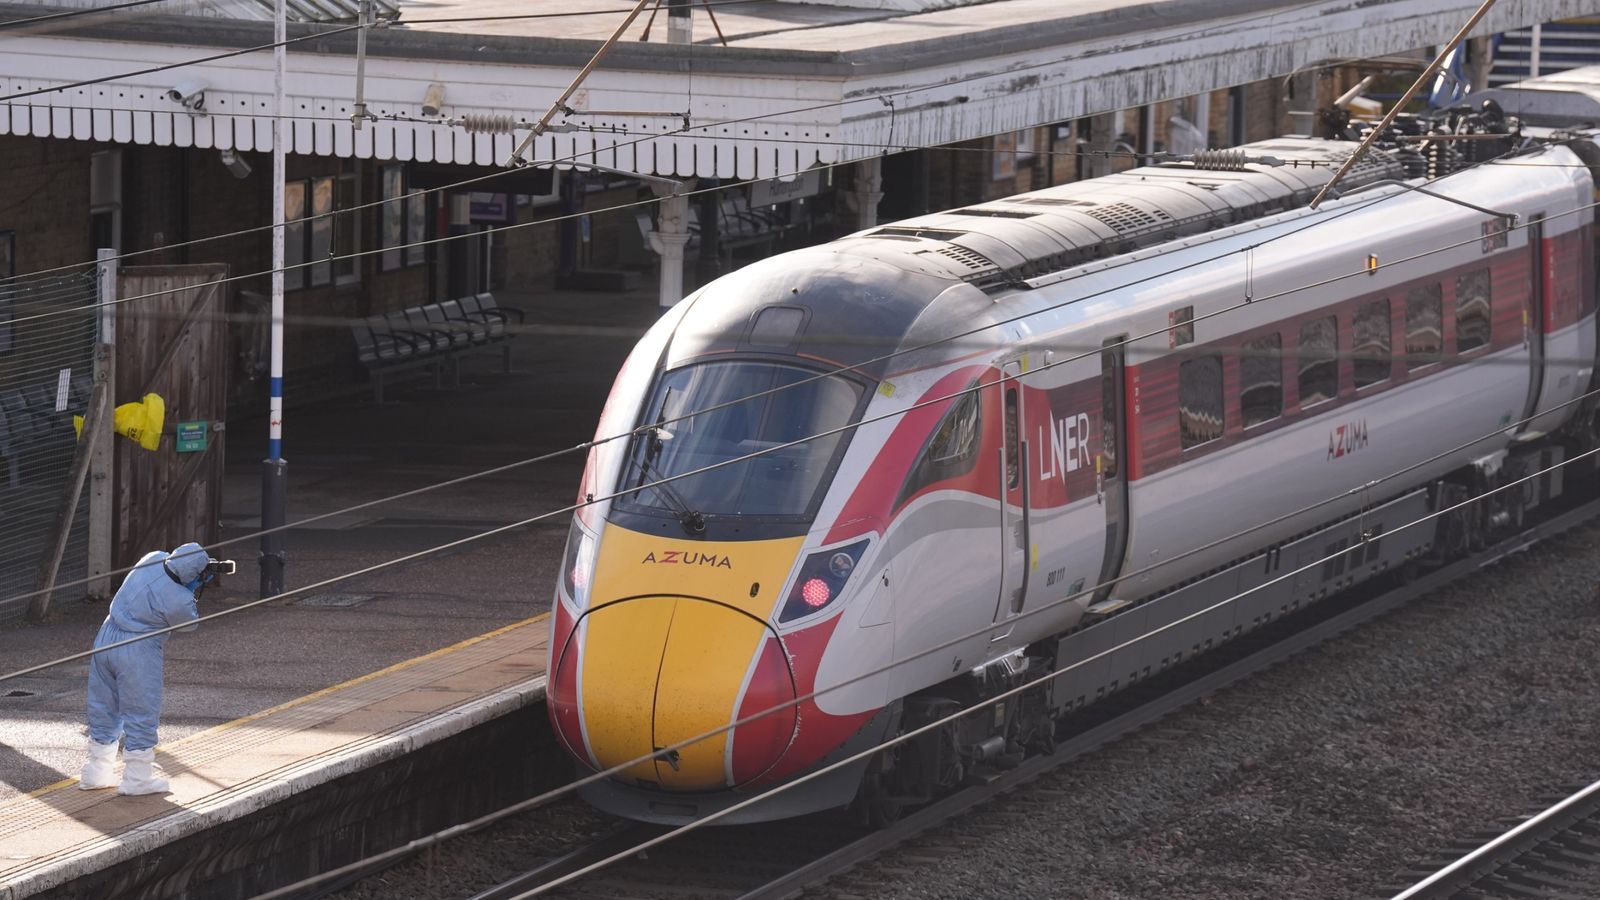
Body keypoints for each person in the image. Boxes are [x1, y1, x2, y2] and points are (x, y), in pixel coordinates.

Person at [78, 541, 210, 795]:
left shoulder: (151, 557)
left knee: (103, 705)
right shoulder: (180, 600)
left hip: (105, 637)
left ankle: (96, 772)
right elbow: (188, 624)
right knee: (141, 709)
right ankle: (138, 778)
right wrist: (193, 590)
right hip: (138, 649)